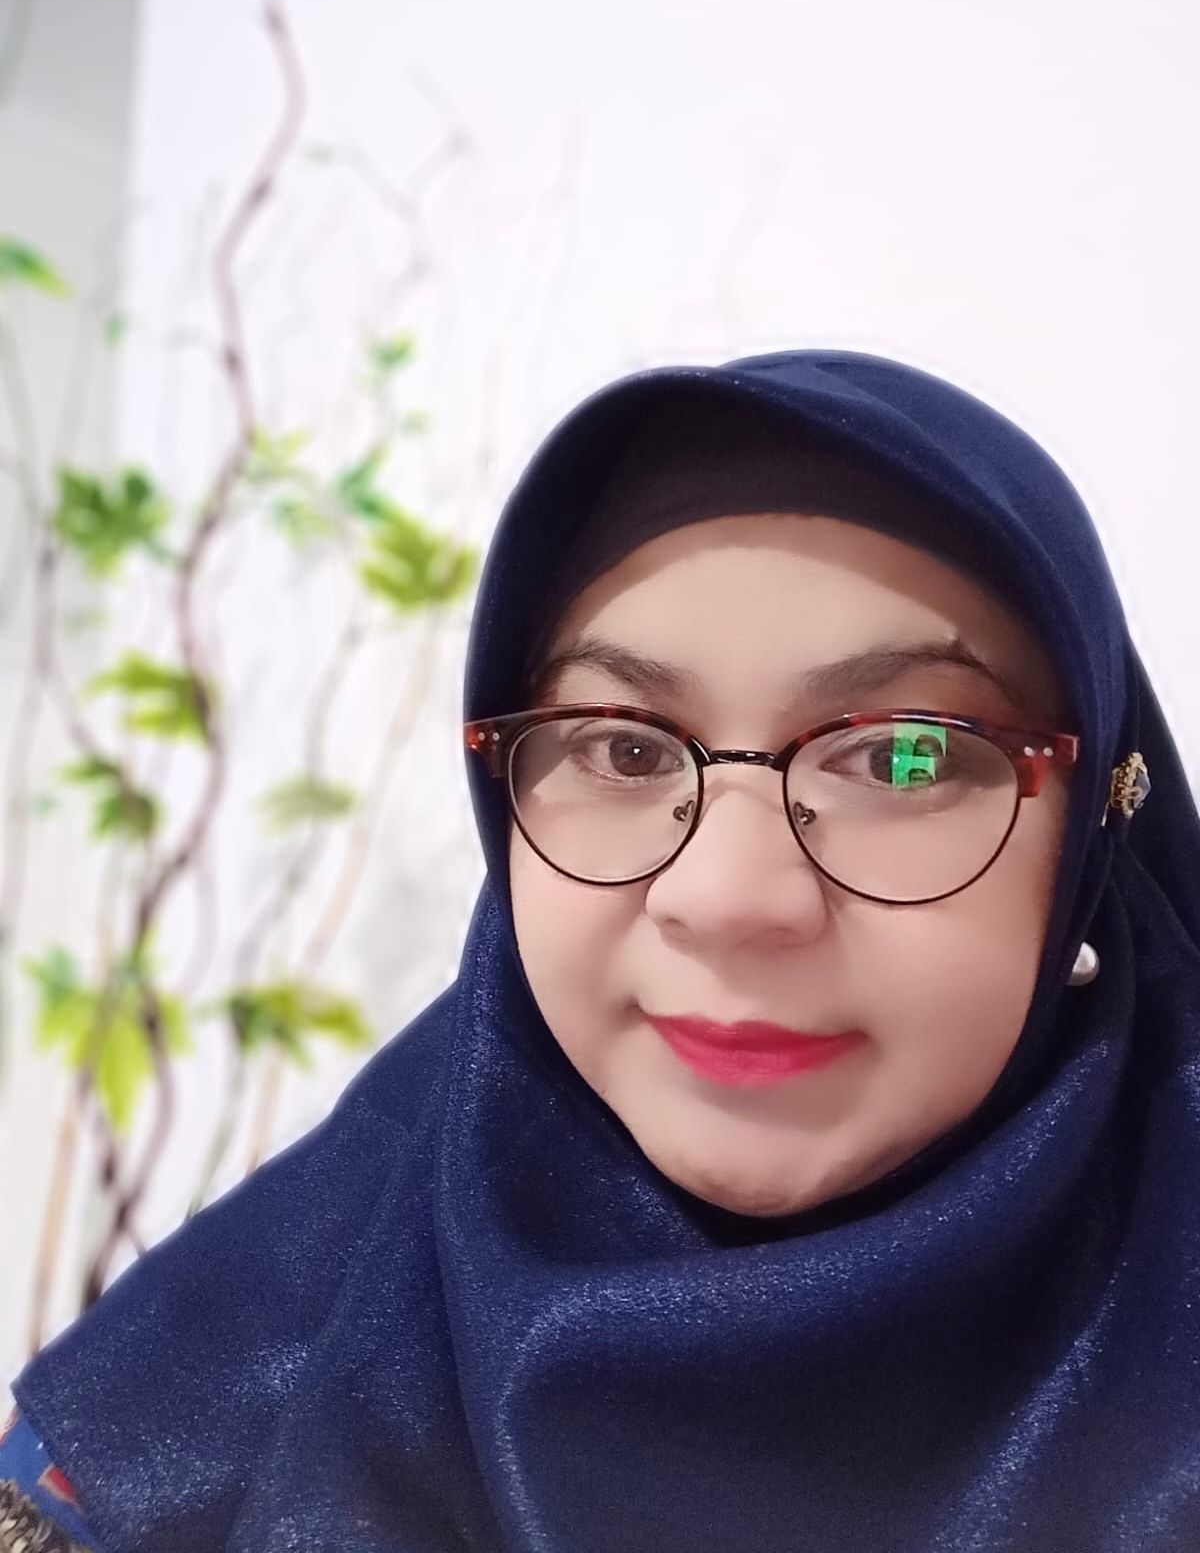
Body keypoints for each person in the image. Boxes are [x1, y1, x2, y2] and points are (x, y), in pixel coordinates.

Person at [2, 349, 1196, 1553]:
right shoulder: (208, 1399)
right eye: (623, 750)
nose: (725, 898)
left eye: (904, 756)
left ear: (1098, 818)